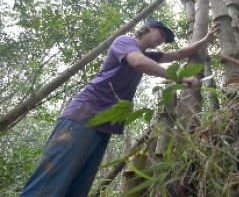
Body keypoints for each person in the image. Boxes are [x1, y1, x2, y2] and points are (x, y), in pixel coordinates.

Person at [21, 19, 219, 196]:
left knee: (78, 187)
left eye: (165, 38)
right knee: (50, 181)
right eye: (161, 34)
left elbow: (178, 54)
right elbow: (139, 63)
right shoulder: (125, 42)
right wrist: (180, 78)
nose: (162, 39)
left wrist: (206, 39)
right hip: (84, 114)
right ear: (148, 28)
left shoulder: (148, 54)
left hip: (104, 124)